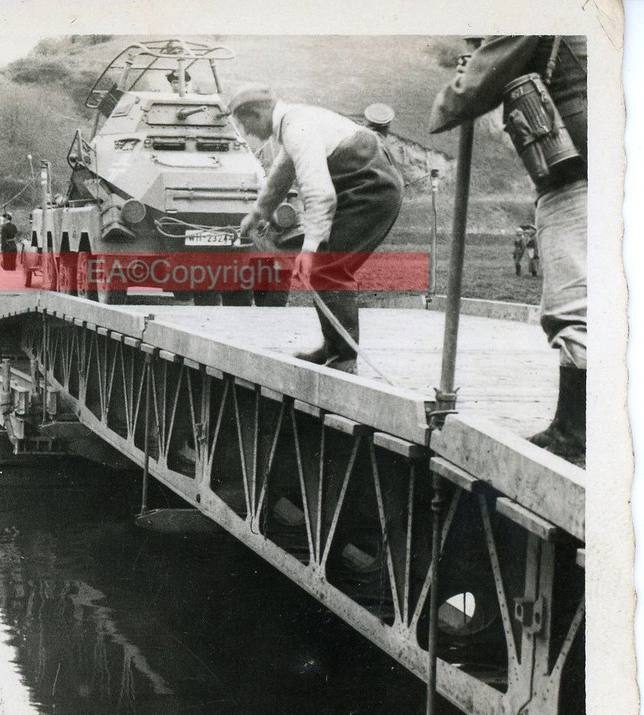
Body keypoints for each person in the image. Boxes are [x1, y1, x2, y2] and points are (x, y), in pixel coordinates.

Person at [430, 35, 586, 464]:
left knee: (573, 307)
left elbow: (469, 93)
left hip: (578, 173)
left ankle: (576, 434)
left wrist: (455, 88)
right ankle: (571, 428)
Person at [233, 84, 404, 374]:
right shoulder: (293, 124)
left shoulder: (297, 127)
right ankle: (334, 347)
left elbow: (319, 192)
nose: (246, 132)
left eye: (245, 123)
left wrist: (310, 247)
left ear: (259, 112)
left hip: (371, 190)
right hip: (364, 187)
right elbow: (281, 175)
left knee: (329, 268)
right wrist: (258, 212)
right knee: (326, 268)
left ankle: (345, 359)